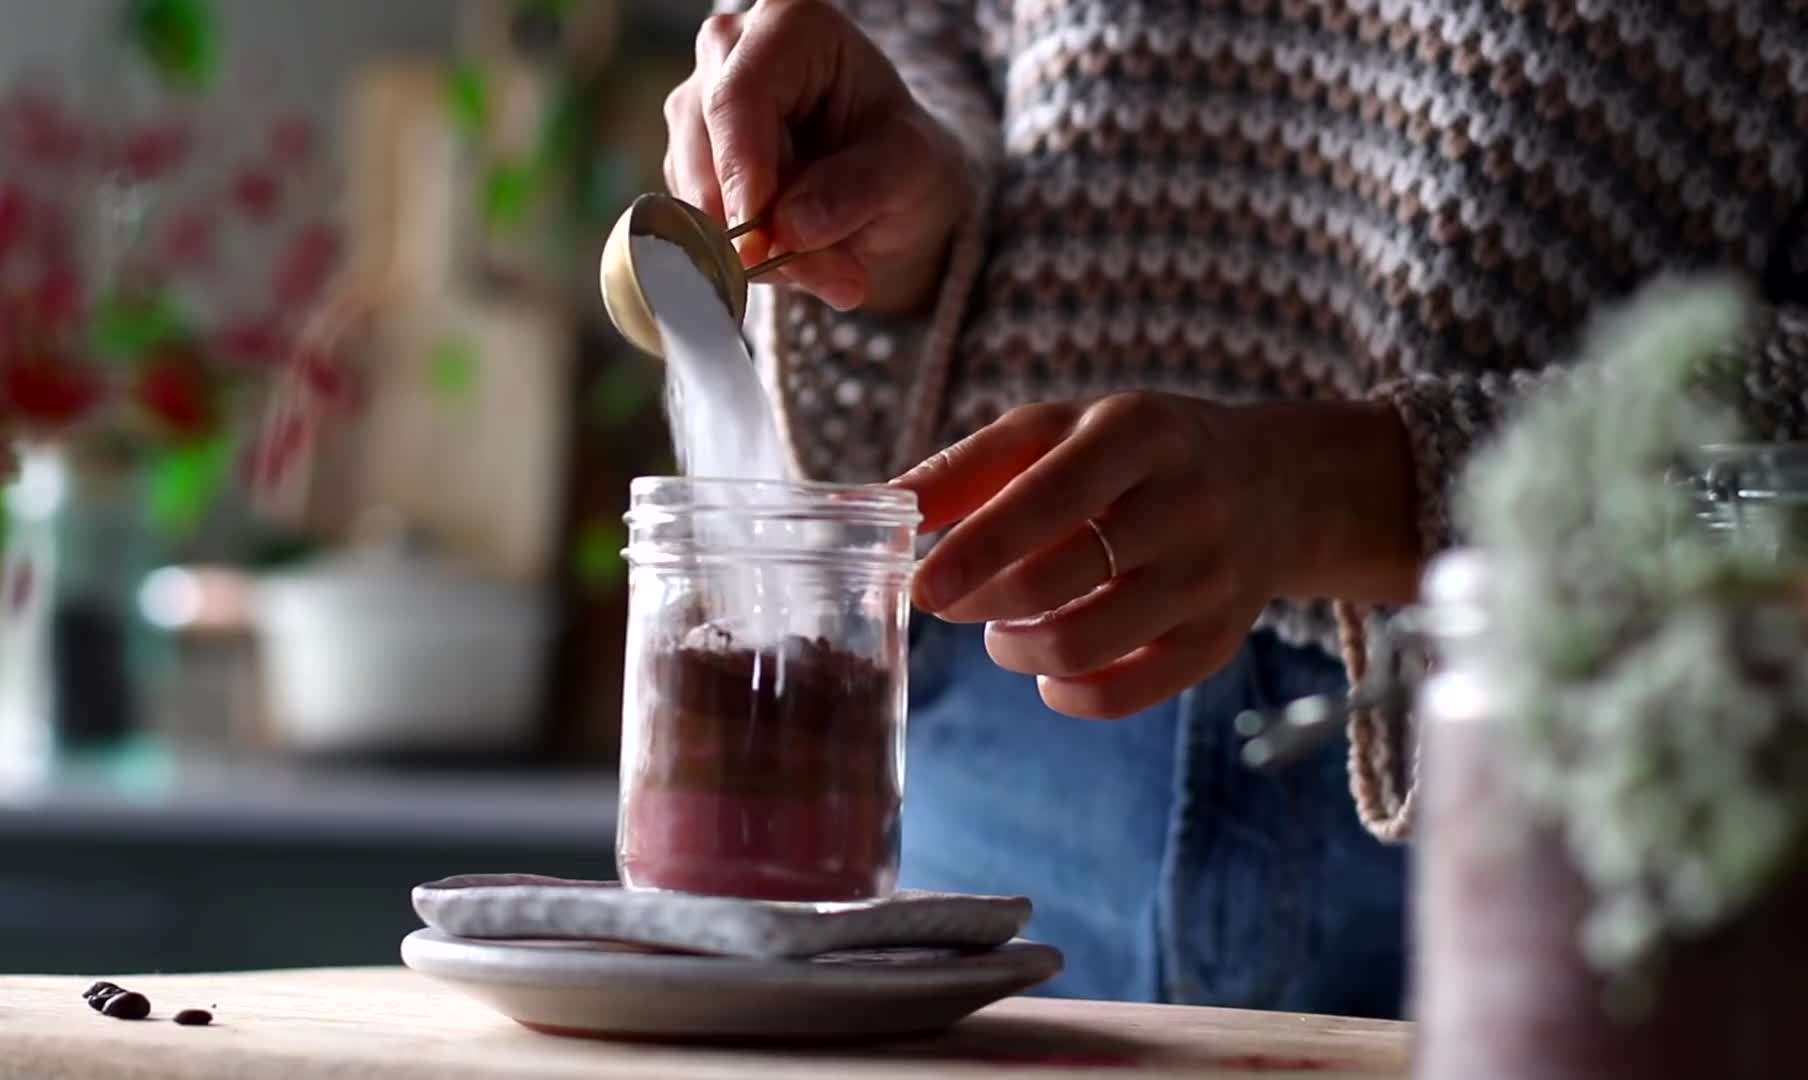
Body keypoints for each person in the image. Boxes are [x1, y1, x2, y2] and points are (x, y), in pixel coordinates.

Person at [658, 0, 1808, 1014]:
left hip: (1557, 810)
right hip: (984, 779)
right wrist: (886, 214)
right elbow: (932, 85)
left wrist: (1360, 492)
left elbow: (1768, 495)